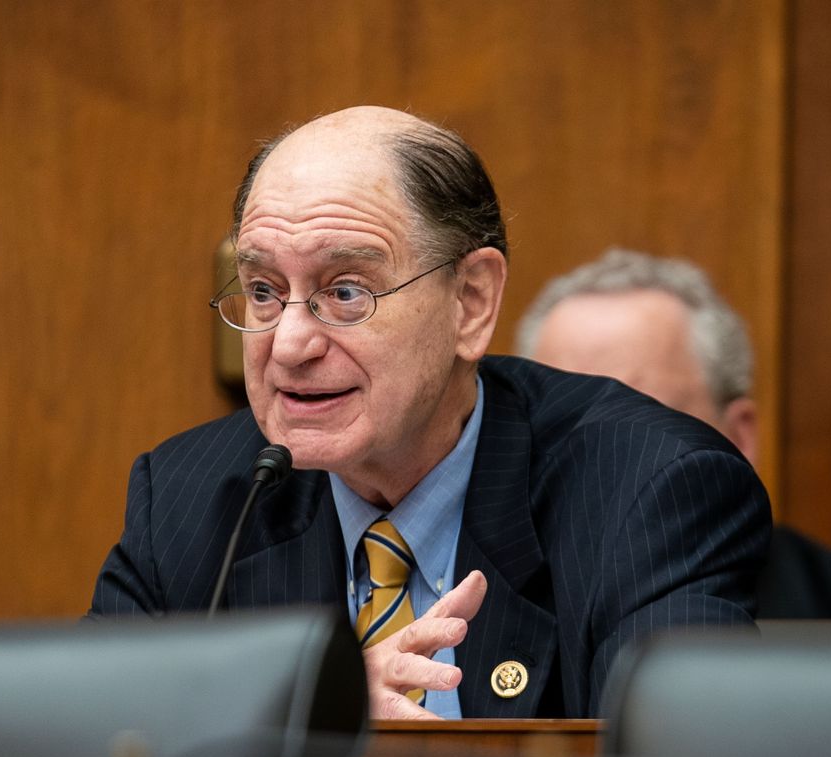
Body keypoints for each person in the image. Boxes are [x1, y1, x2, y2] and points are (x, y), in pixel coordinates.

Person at [89, 109, 770, 719]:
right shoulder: (188, 501)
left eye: (346, 291)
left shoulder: (646, 491)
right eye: (264, 291)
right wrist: (293, 723)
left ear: (470, 302)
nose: (289, 343)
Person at [516, 249, 831, 619]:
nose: (594, 457)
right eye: (563, 425)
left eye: (639, 423)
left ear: (738, 437)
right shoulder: (473, 614)